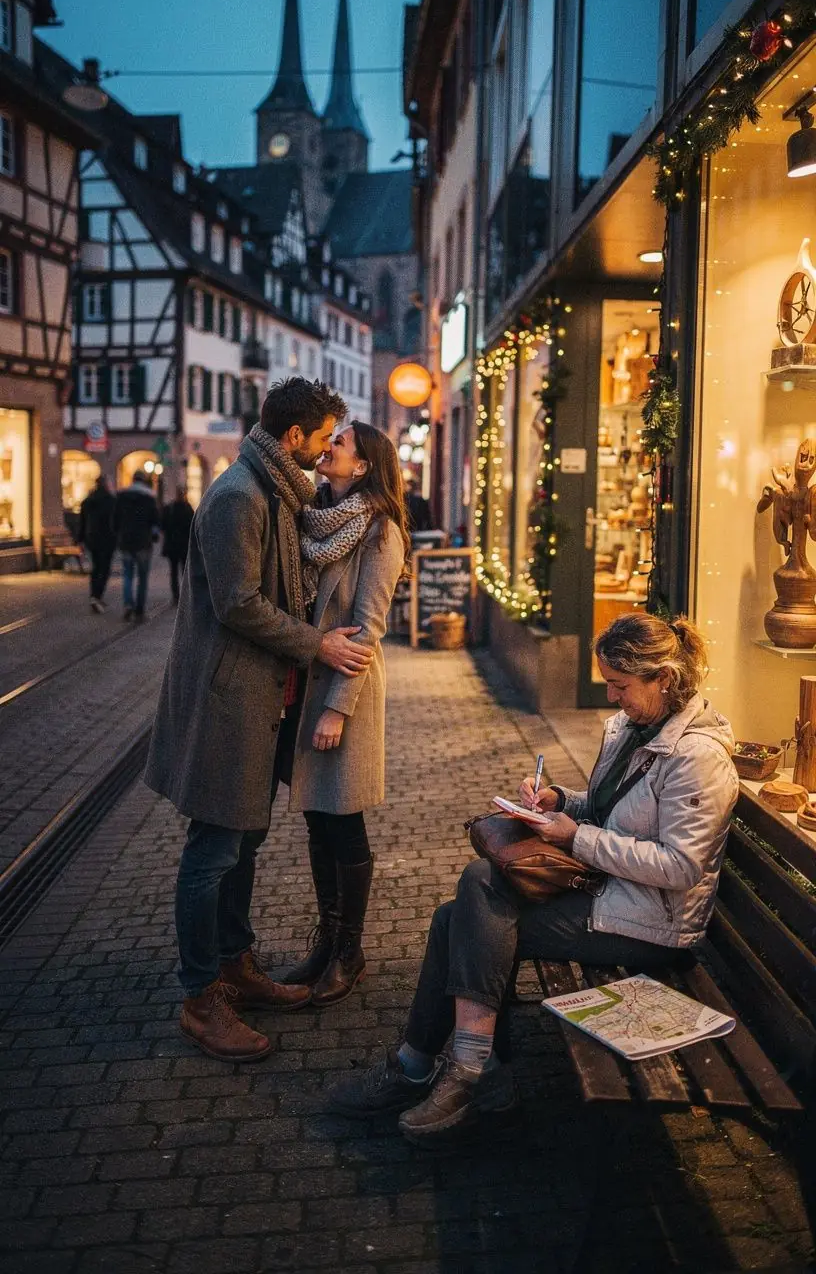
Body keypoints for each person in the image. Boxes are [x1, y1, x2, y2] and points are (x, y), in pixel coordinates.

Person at [328, 612, 738, 1143]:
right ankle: (458, 1071)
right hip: (612, 894)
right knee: (466, 911)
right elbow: (613, 808)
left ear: (663, 678)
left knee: (470, 908)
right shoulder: (635, 727)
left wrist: (576, 838)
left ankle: (452, 1071)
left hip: (654, 925)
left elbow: (680, 866)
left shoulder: (697, 757)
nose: (612, 697)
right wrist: (560, 801)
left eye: (620, 685)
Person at [144, 378, 376, 1064]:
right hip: (228, 700)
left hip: (259, 702)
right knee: (212, 850)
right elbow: (238, 602)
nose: (328, 447)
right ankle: (200, 998)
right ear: (294, 436)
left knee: (242, 843)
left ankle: (234, 964)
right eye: (324, 436)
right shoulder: (240, 497)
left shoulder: (276, 491)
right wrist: (318, 644)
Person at [281, 421, 410, 1006]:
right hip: (307, 683)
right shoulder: (314, 518)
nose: (328, 445)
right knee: (317, 817)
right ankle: (327, 940)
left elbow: (369, 627)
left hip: (344, 690)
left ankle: (350, 953)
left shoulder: (381, 531)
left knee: (343, 820)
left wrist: (336, 710)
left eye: (340, 442)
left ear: (361, 467)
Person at [112, 469, 160, 621]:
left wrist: (119, 534)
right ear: (144, 481)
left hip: (126, 541)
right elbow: (155, 520)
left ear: (132, 480)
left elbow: (115, 520)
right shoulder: (149, 498)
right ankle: (139, 610)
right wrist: (154, 535)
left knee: (127, 574)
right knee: (143, 577)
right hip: (143, 542)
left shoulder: (122, 497)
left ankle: (128, 604)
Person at [77, 474, 116, 613]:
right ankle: (97, 596)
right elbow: (116, 521)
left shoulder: (88, 500)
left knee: (96, 567)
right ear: (106, 484)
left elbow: (82, 522)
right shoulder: (111, 500)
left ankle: (94, 596)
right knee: (105, 569)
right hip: (108, 539)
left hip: (92, 539)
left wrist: (80, 539)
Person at [162, 486, 194, 604]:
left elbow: (163, 525)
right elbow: (192, 526)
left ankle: (176, 596)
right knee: (184, 572)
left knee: (174, 571)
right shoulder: (188, 508)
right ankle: (184, 596)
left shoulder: (170, 508)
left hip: (172, 546)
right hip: (184, 546)